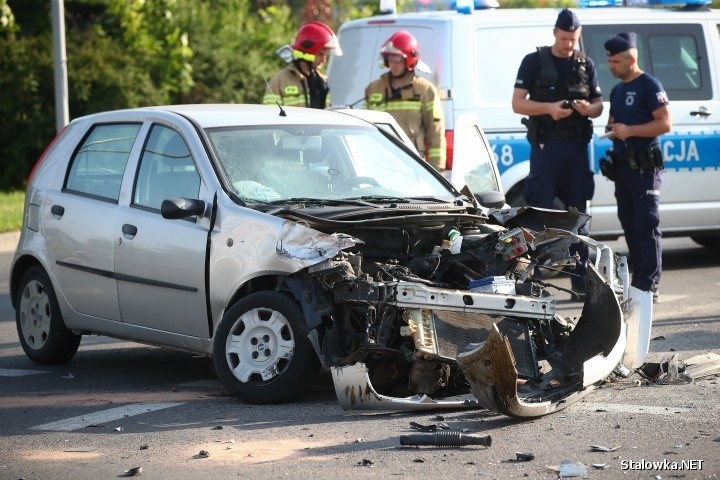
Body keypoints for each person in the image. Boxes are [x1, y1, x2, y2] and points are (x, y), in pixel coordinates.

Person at [511, 8, 604, 295]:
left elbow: (599, 105)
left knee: (579, 215)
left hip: (576, 149)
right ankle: (535, 282)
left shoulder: (584, 63)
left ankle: (581, 283)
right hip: (546, 148)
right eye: (564, 38)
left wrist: (589, 109)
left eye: (573, 39)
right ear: (555, 33)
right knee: (539, 213)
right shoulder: (534, 61)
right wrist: (550, 109)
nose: (568, 44)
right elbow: (518, 104)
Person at [603, 32, 671, 301]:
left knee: (646, 224)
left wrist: (629, 130)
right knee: (629, 224)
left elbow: (665, 123)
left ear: (631, 59)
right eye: (609, 61)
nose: (611, 66)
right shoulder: (617, 90)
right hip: (623, 168)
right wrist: (612, 130)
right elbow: (612, 122)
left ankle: (649, 283)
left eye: (616, 62)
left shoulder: (649, 85)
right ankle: (638, 280)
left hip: (644, 168)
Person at [364, 30, 446, 171]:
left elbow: (436, 133)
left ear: (409, 59)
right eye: (389, 58)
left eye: (397, 59)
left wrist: (436, 170)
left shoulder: (425, 90)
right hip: (378, 166)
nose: (392, 64)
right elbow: (363, 130)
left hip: (413, 166)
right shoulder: (373, 89)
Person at [263, 21, 342, 109]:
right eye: (320, 54)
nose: (324, 59)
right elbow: (270, 115)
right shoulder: (280, 81)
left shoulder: (322, 82)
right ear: (307, 53)